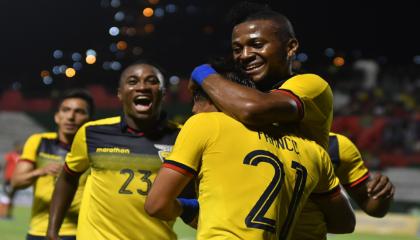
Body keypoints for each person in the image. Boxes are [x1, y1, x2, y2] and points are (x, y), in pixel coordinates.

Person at [145, 67, 355, 240]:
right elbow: (345, 223)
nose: (193, 111)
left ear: (217, 97)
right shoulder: (314, 151)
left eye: (196, 101)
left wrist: (187, 207)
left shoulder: (206, 124)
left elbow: (156, 205)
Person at [47, 61, 194, 240]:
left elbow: (194, 196)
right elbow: (68, 177)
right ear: (120, 94)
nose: (142, 87)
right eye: (133, 81)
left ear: (163, 93)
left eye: (152, 81)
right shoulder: (91, 132)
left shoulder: (183, 138)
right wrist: (52, 230)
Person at [190, 1, 333, 150]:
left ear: (290, 47)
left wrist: (201, 72)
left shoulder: (311, 85)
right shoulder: (237, 91)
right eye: (237, 49)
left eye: (257, 45)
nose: (244, 55)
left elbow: (252, 109)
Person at [11, 89, 94, 240]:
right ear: (57, 117)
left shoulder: (94, 150)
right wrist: (41, 171)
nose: (71, 117)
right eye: (66, 110)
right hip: (39, 231)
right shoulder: (39, 141)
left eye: (79, 111)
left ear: (89, 120)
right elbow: (16, 182)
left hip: (79, 233)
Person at [291, 132, 395, 240]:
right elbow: (345, 224)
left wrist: (382, 192)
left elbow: (370, 207)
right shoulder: (274, 141)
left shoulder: (337, 146)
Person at [0, 140, 22, 219]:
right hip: (8, 179)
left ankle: (8, 214)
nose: (19, 148)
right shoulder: (10, 155)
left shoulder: (21, 156)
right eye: (18, 147)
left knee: (12, 197)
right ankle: (2, 214)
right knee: (6, 197)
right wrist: (4, 177)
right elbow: (4, 165)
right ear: (15, 147)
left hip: (16, 179)